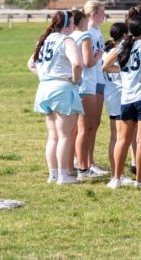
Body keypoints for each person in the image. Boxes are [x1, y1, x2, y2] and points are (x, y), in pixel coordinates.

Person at [103, 14, 141, 189]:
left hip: (127, 98)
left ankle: (116, 178)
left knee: (122, 140)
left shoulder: (122, 45)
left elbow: (105, 66)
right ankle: (139, 181)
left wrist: (123, 72)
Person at [28, 11, 84, 185]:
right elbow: (77, 64)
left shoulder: (43, 41)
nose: (74, 26)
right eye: (73, 23)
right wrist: (74, 80)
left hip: (44, 89)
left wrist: (45, 76)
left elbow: (30, 64)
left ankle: (52, 175)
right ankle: (63, 175)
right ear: (67, 26)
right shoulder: (67, 40)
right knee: (65, 136)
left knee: (52, 136)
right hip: (62, 88)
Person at [69, 8, 105, 181]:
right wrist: (99, 56)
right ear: (82, 21)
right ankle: (83, 168)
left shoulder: (68, 38)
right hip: (86, 86)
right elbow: (89, 62)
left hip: (73, 85)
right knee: (85, 129)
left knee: (73, 130)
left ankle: (70, 166)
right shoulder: (85, 36)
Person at [102, 22, 133, 186]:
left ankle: (117, 173)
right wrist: (123, 70)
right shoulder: (118, 50)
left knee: (115, 137)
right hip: (120, 96)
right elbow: (105, 67)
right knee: (121, 138)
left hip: (111, 98)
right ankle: (117, 175)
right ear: (123, 36)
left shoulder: (107, 49)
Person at [84, 0, 108, 176]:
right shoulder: (87, 33)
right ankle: (84, 162)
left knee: (95, 123)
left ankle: (89, 160)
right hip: (90, 81)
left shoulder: (97, 31)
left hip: (100, 79)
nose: (104, 15)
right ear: (93, 14)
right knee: (87, 125)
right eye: (102, 12)